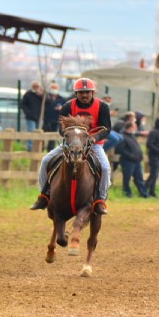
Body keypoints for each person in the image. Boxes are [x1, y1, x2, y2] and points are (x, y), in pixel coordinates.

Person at [30, 78, 111, 215]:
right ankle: (44, 195)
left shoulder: (102, 106)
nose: (84, 95)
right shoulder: (68, 106)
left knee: (105, 167)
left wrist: (94, 138)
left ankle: (100, 200)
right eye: (81, 92)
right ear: (76, 93)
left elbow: (107, 128)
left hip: (94, 145)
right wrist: (71, 137)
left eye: (87, 92)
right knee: (45, 161)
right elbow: (61, 129)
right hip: (71, 144)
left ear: (92, 93)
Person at [116, 121, 149, 198]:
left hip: (136, 161)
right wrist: (131, 156)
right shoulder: (122, 137)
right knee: (127, 178)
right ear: (130, 128)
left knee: (139, 178)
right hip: (128, 161)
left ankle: (144, 193)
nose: (136, 128)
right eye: (135, 127)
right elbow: (120, 150)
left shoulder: (131, 136)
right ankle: (127, 193)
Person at [42, 83, 67, 151]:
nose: (54, 90)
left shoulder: (61, 99)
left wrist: (61, 108)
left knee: (52, 136)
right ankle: (40, 148)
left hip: (56, 120)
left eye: (55, 89)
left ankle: (50, 150)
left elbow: (66, 109)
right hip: (46, 120)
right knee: (43, 135)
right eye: (53, 88)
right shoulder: (46, 98)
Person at [21, 81, 44, 151]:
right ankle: (30, 148)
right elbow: (22, 104)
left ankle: (37, 148)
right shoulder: (28, 94)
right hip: (30, 117)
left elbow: (47, 102)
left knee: (38, 132)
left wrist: (41, 95)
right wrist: (27, 112)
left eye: (37, 87)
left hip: (39, 117)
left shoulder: (41, 95)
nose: (36, 88)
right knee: (31, 132)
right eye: (34, 87)